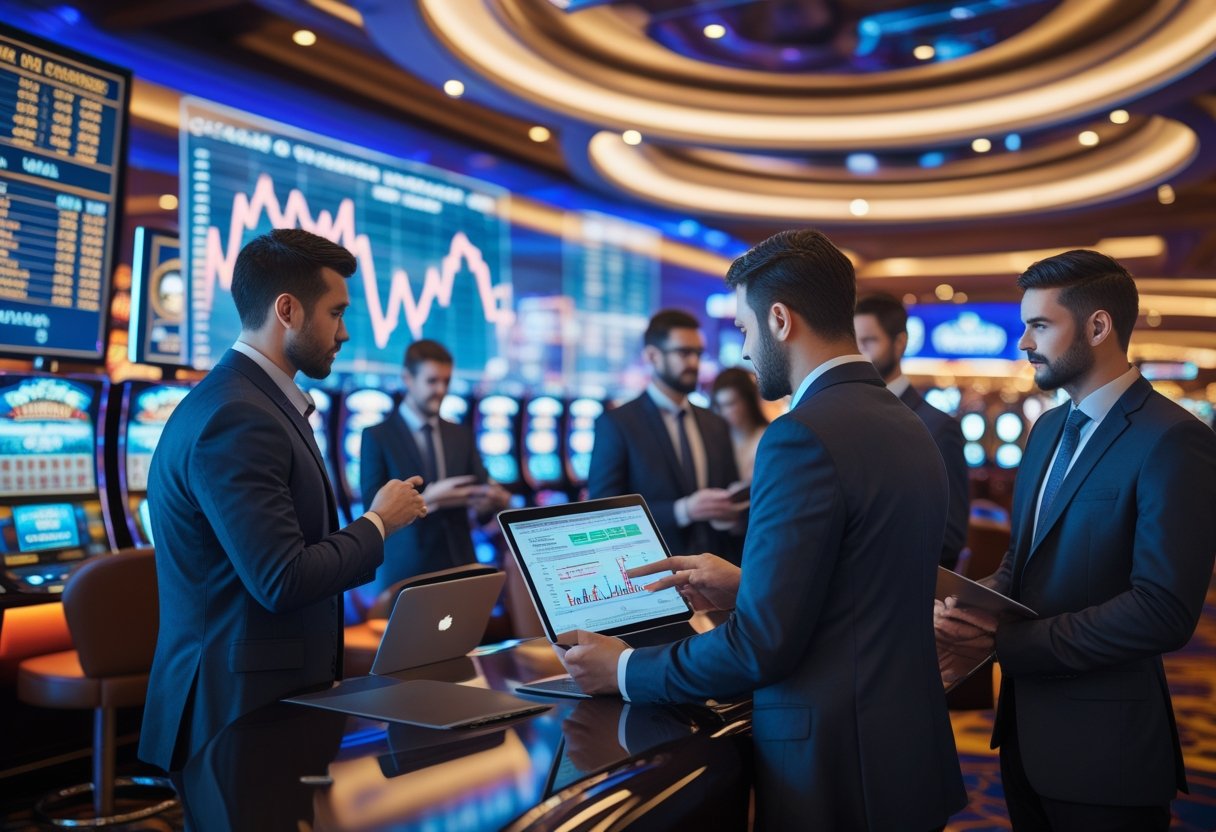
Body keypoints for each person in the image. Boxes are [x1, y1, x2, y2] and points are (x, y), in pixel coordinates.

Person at [565, 230, 966, 831]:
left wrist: (622, 668)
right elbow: (863, 587)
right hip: (904, 752)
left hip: (834, 763)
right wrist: (752, 585)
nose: (744, 352)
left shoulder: (799, 435)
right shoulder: (912, 424)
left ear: (779, 319)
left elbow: (759, 647)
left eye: (746, 330)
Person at [935, 250, 1216, 831]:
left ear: (1097, 326)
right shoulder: (1046, 429)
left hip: (1106, 755)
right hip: (1022, 738)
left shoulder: (1174, 440)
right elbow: (1021, 567)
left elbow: (1163, 611)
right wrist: (963, 608)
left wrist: (1007, 643)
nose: (1023, 343)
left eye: (1039, 325)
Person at [139, 229, 427, 773]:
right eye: (336, 313)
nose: (343, 332)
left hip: (261, 698)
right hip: (232, 711)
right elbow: (282, 579)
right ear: (288, 310)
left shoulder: (257, 402)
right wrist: (378, 522)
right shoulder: (238, 416)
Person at [588, 309, 744, 562]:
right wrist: (683, 511)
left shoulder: (714, 422)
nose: (694, 363)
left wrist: (732, 512)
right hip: (652, 569)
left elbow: (729, 498)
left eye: (698, 354)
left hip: (717, 568)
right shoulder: (617, 423)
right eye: (683, 353)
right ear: (652, 356)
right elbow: (603, 510)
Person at [360, 339, 510, 598]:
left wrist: (493, 502)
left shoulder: (461, 434)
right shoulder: (377, 436)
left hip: (460, 564)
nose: (441, 389)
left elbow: (481, 502)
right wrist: (430, 498)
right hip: (406, 572)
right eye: (432, 381)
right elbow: (373, 512)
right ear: (408, 378)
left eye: (446, 381)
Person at [854, 293, 969, 570]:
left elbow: (950, 537)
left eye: (869, 341)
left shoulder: (938, 427)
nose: (859, 353)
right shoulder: (848, 417)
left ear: (900, 343)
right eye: (854, 343)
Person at [711, 366, 769, 482]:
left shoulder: (766, 437)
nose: (725, 412)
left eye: (731, 404)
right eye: (720, 406)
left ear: (748, 400)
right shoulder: (715, 442)